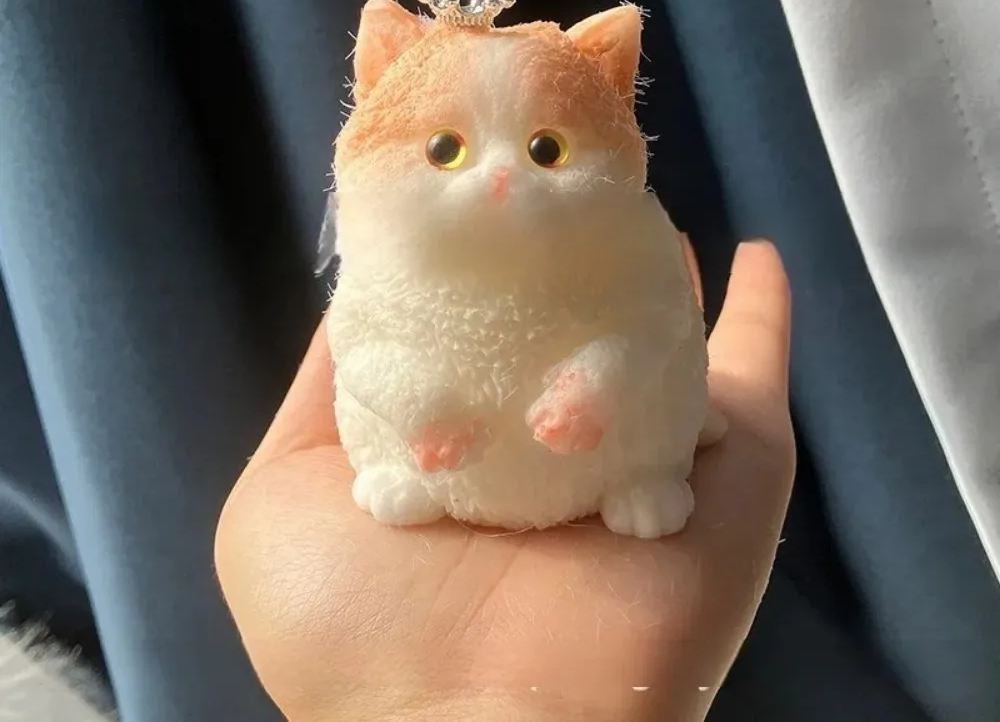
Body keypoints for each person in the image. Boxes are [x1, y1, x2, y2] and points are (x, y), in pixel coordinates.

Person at [214, 239, 794, 722]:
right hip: (430, 473)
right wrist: (422, 412)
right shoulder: (392, 265)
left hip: (626, 454)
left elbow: (651, 335)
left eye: (545, 151)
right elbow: (366, 356)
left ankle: (643, 471)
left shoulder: (614, 239)